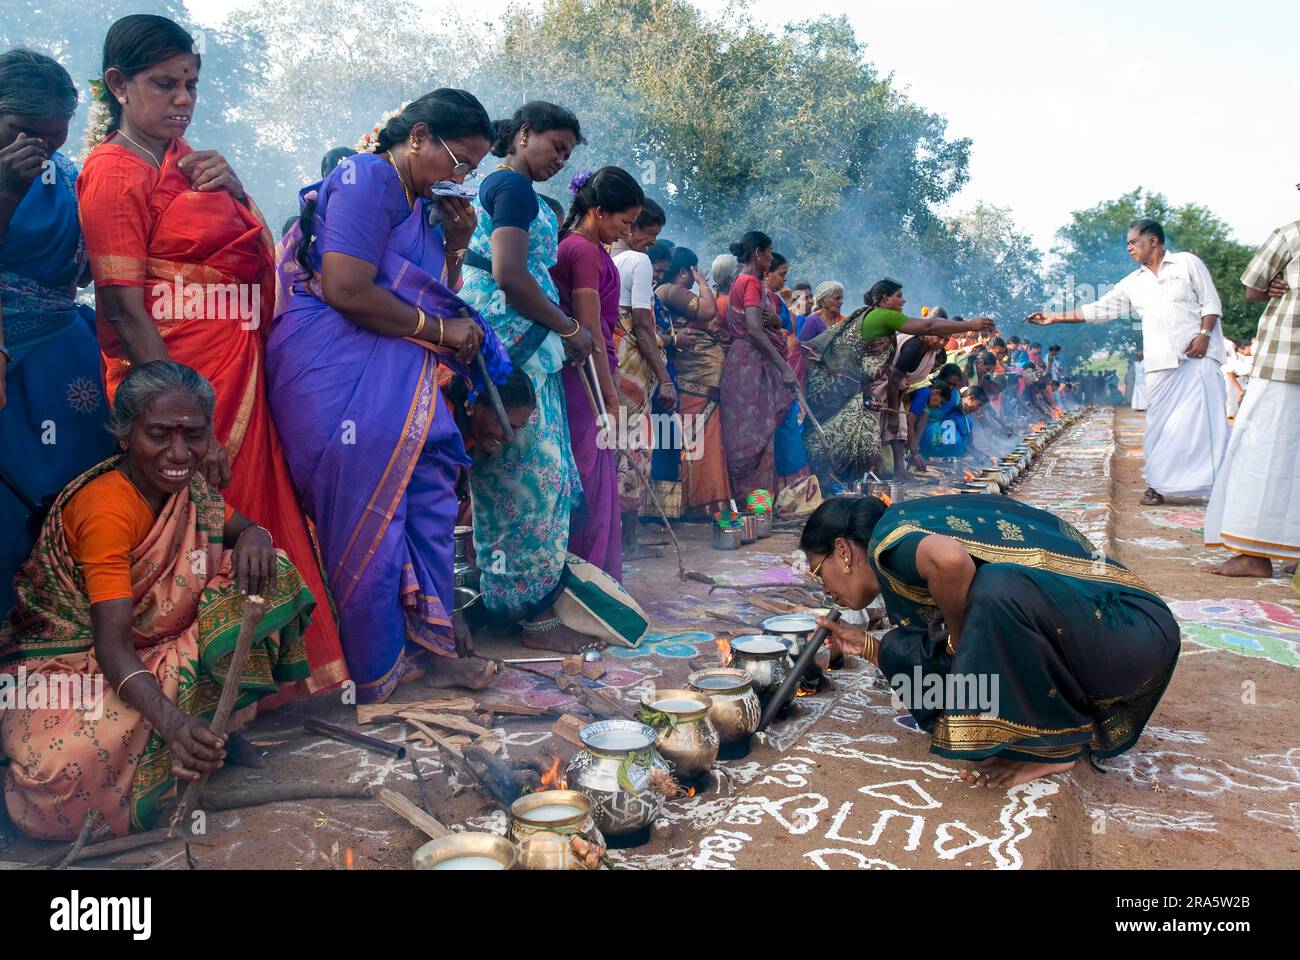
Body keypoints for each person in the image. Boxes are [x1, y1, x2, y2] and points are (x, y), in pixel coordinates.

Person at [75, 14, 344, 696]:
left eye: (191, 84)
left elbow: (250, 252)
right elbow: (123, 306)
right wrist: (185, 414)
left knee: (245, 517)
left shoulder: (190, 160)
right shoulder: (112, 173)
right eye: (165, 85)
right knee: (189, 540)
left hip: (229, 365)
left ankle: (253, 693)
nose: (183, 100)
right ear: (118, 85)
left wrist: (233, 186)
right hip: (172, 379)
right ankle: (190, 695)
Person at [0, 361, 316, 839]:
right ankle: (183, 744)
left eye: (193, 434)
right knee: (59, 770)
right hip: (64, 671)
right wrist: (172, 724)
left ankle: (211, 738)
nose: (179, 451)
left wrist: (258, 534)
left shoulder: (189, 492)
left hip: (141, 659)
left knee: (268, 577)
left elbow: (244, 529)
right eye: (159, 434)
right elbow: (111, 648)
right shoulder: (107, 507)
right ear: (125, 436)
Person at [267, 91, 504, 702]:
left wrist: (454, 246)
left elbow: (429, 290)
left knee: (429, 501)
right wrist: (442, 332)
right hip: (338, 369)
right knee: (370, 513)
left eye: (472, 170)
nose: (462, 177)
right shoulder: (366, 176)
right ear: (419, 135)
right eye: (458, 161)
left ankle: (435, 648)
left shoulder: (425, 205)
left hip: (406, 376)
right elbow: (347, 287)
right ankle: (375, 668)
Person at [801, 494, 1180, 787]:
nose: (827, 591)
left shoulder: (891, 543)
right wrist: (869, 646)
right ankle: (1044, 728)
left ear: (843, 551)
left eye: (819, 573)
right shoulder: (908, 526)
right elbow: (939, 650)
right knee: (938, 631)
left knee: (991, 591)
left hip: (1129, 634)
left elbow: (950, 562)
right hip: (1123, 638)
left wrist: (960, 638)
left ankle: (1051, 746)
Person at [460, 103, 647, 653]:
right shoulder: (511, 189)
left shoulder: (517, 191)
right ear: (523, 134)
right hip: (509, 348)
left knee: (537, 481)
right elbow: (510, 274)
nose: (560, 160)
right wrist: (568, 329)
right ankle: (527, 615)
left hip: (523, 349)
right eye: (555, 146)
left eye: (568, 154)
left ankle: (518, 605)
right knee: (529, 483)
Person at [0, 49, 114, 617]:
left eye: (55, 136)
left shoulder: (67, 173)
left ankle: (74, 636)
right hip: (5, 356)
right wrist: (6, 190)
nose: (40, 148)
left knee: (81, 483)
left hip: (65, 349)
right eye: (24, 132)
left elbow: (90, 267)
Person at [1030, 218, 1227, 505]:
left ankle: (1219, 487)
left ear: (1154, 241)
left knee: (1208, 424)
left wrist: (1204, 334)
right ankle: (1157, 485)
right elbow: (1099, 309)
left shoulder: (1187, 263)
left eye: (1133, 242)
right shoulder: (1133, 283)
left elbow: (1211, 302)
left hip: (1200, 357)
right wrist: (1054, 316)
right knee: (1160, 425)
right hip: (1161, 363)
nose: (1129, 248)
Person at [551, 166, 645, 579]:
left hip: (591, 370)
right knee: (589, 476)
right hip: (585, 376)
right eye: (623, 222)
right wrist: (610, 396)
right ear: (600, 211)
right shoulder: (584, 250)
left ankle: (594, 576)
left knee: (595, 473)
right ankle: (587, 579)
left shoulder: (586, 247)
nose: (624, 231)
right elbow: (588, 330)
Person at [1205, 208, 1298, 577]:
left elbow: (1253, 288)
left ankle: (1254, 555)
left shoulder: (1291, 235)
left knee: (1262, 452)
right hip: (1283, 360)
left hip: (1283, 361)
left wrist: (1271, 286)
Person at [857, 279, 993, 477]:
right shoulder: (908, 340)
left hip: (892, 387)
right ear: (885, 298)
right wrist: (971, 324)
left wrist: (897, 411)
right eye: (899, 296)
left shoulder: (930, 351)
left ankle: (899, 471)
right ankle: (870, 477)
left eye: (945, 340)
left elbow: (902, 383)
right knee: (878, 430)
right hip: (876, 384)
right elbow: (895, 379)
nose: (903, 301)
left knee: (899, 429)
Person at [611, 199, 671, 555]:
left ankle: (614, 541)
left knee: (612, 446)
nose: (651, 243)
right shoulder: (638, 261)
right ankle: (628, 543)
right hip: (632, 367)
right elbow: (644, 326)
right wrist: (664, 378)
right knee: (634, 450)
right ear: (631, 227)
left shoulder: (609, 257)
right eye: (650, 235)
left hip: (612, 363)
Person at [719, 231, 797, 499]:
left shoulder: (737, 281)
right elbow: (754, 328)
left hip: (740, 363)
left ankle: (747, 504)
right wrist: (784, 367)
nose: (770, 258)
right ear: (758, 254)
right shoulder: (751, 283)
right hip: (751, 365)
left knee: (747, 434)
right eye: (769, 252)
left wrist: (775, 321)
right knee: (757, 435)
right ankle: (756, 505)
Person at [667, 252, 732, 516]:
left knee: (707, 439)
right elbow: (707, 310)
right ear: (685, 271)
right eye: (694, 272)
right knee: (700, 440)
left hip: (703, 381)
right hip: (694, 381)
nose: (696, 279)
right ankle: (700, 505)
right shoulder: (671, 290)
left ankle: (707, 503)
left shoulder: (673, 292)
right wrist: (704, 284)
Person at [765, 253, 812, 494]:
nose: (785, 280)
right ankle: (788, 493)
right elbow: (783, 332)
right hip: (773, 372)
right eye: (781, 274)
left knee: (788, 429)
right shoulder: (765, 298)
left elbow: (788, 329)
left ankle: (793, 492)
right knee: (784, 430)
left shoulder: (777, 298)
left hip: (782, 368)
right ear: (767, 272)